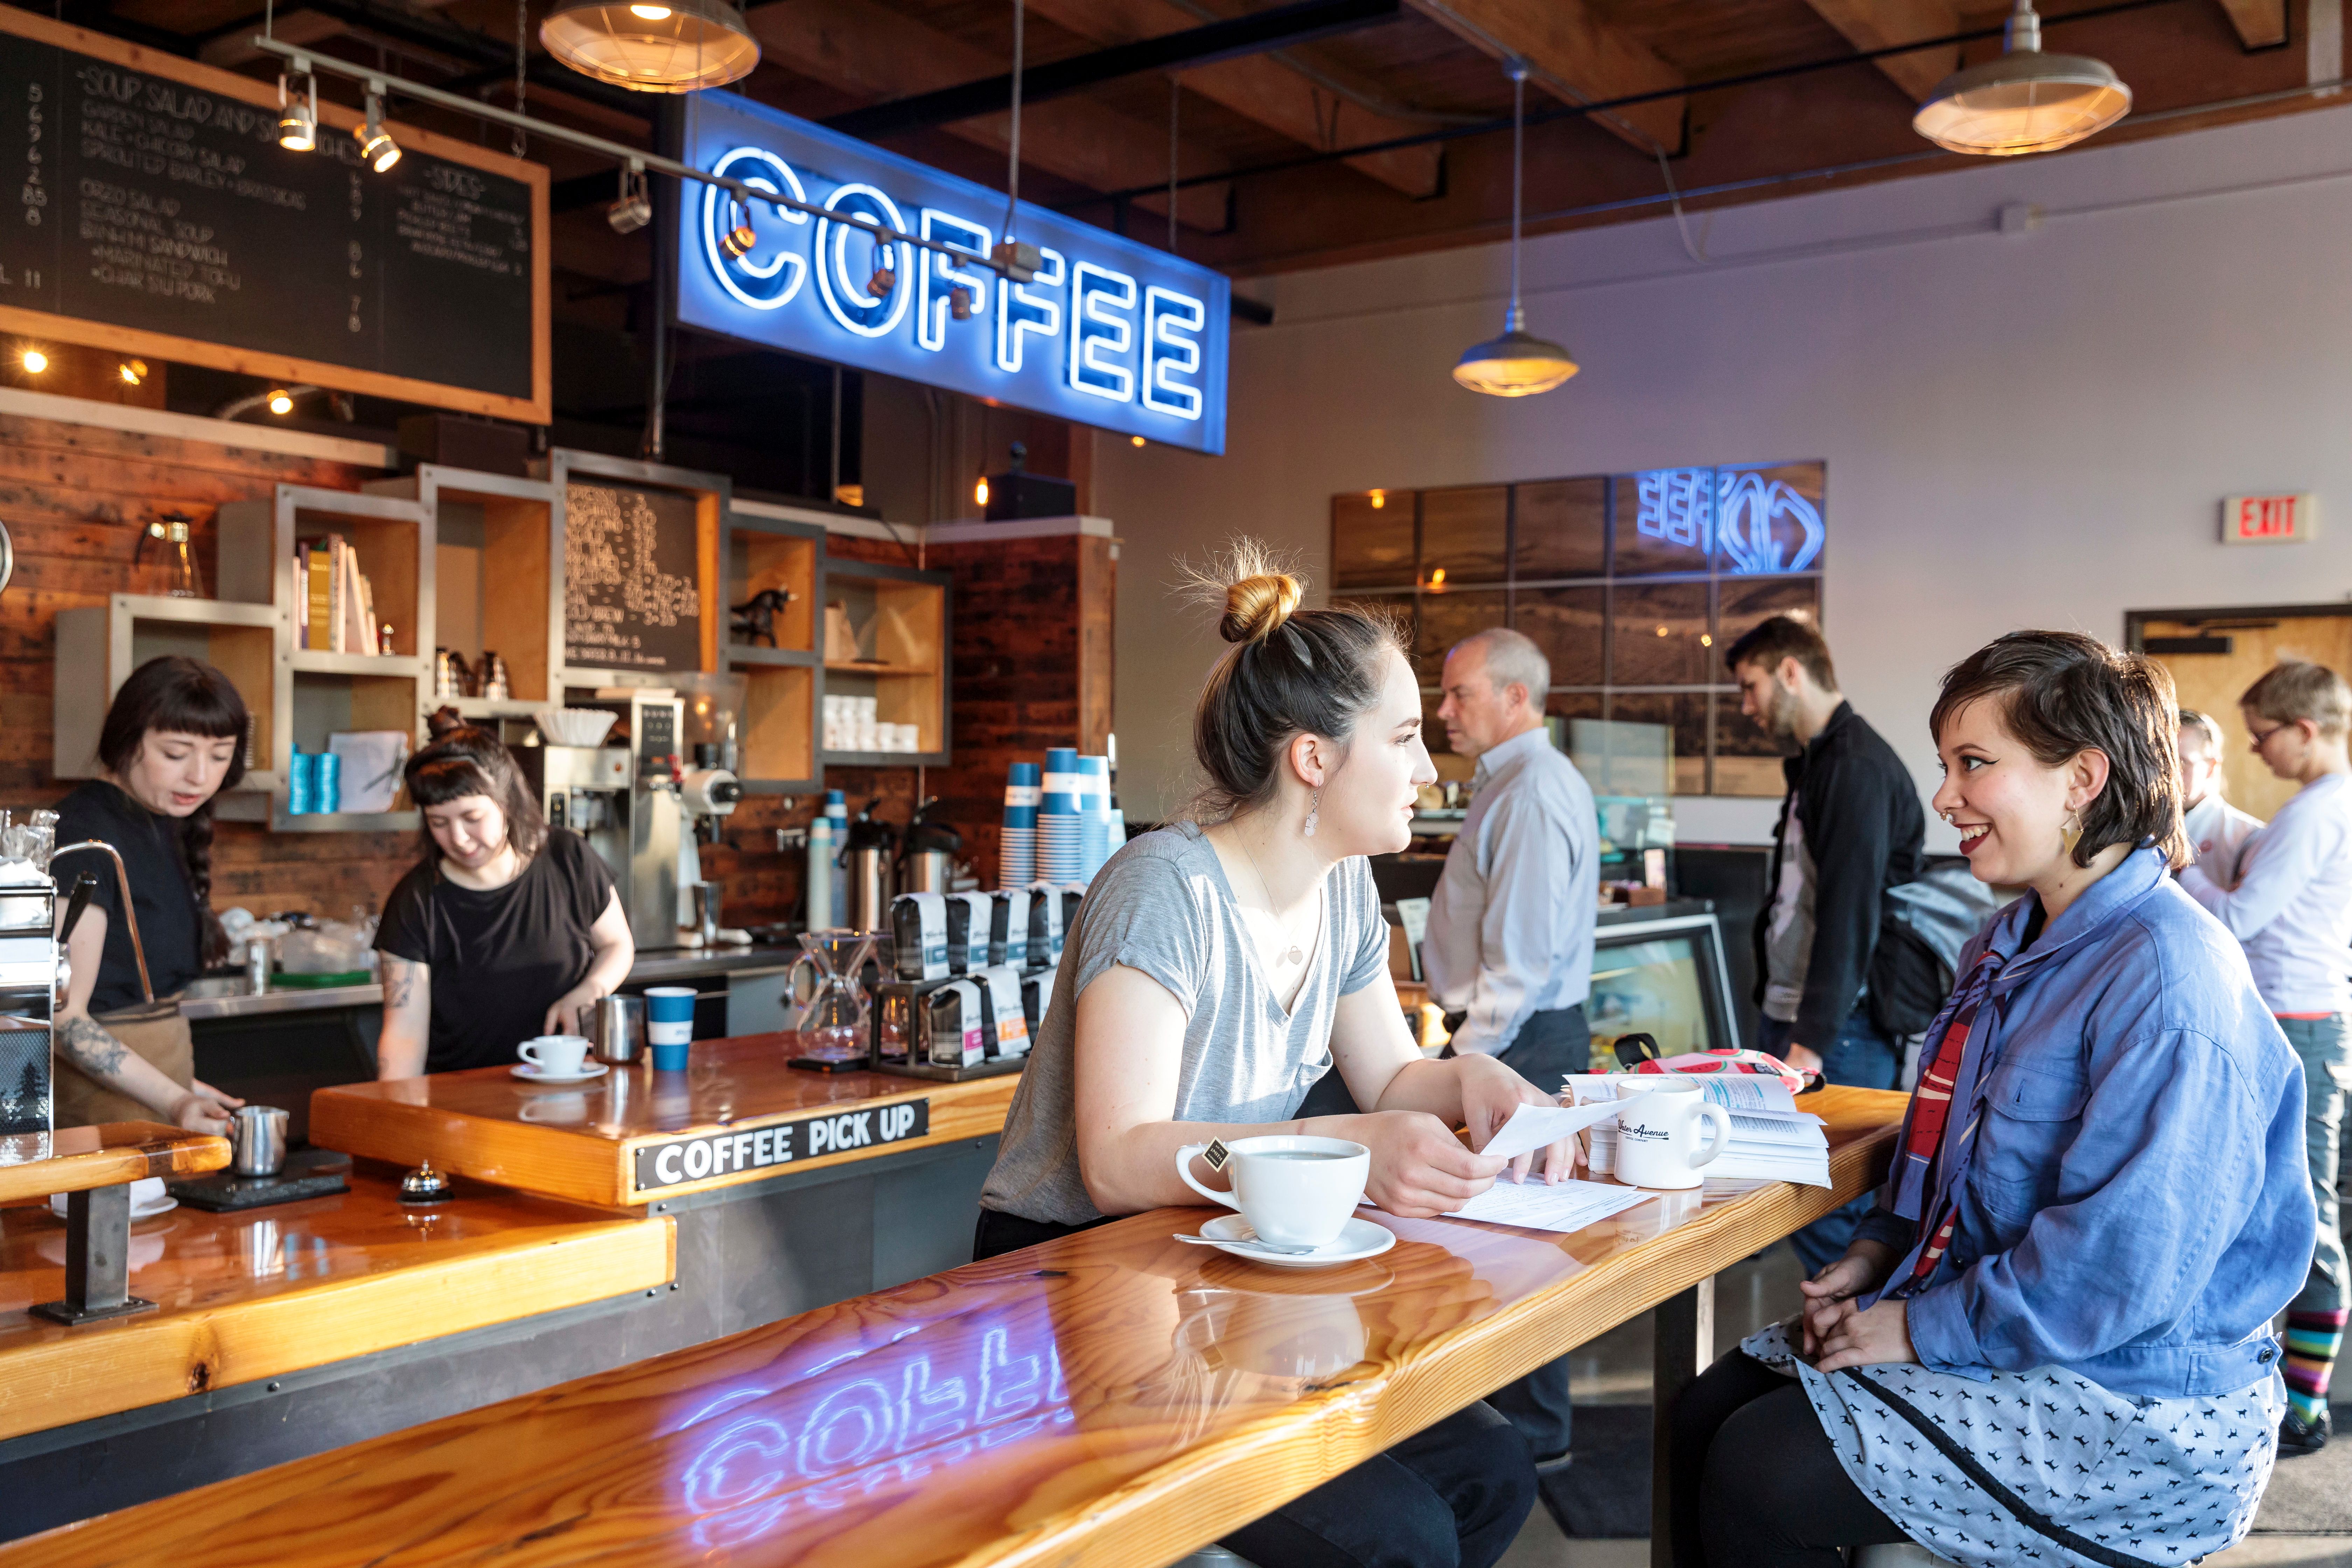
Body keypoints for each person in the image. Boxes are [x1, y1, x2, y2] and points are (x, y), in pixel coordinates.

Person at [978, 548, 1572, 1568]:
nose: (1430, 766)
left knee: (1492, 1470)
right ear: (1311, 757)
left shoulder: (1341, 887)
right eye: (1401, 736)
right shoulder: (1163, 886)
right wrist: (1333, 1140)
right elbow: (1114, 1157)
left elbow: (1390, 1074)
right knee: (1404, 1534)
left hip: (1214, 1266)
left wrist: (1471, 1078)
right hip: (1074, 1281)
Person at [1670, 631, 2310, 1568]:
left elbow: (2118, 1273)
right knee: (1702, 1411)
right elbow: (1953, 1154)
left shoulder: (2171, 980)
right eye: (1947, 765)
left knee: (1760, 1471)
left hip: (2138, 1398)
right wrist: (1878, 1253)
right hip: (2020, 1327)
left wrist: (1919, 1328)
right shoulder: (2002, 941)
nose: (1943, 797)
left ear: (2082, 779)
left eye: (1976, 764)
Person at [1418, 625, 1598, 1471]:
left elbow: (1517, 962)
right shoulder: (1515, 782)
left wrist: (1459, 1064)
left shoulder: (1530, 790)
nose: (1443, 711)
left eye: (1461, 694)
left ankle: (1531, 1444)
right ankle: (1520, 1434)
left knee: (1520, 1246)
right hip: (1510, 1036)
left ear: (1516, 698)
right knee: (1508, 1240)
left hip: (1516, 1038)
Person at [2178, 660, 2352, 1456]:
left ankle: (2307, 1409)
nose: (2260, 752)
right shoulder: (2317, 807)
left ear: (2306, 730)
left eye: (2264, 737)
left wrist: (2172, 868)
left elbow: (2241, 918)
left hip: (2301, 1024)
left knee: (2307, 1215)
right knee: (2272, 1205)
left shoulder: (2315, 812)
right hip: (2291, 1018)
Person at [1726, 614, 1923, 1274]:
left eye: (1751, 686)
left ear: (1791, 671)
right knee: (1799, 1200)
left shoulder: (1856, 766)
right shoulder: (1822, 763)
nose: (1746, 706)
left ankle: (1853, 1356)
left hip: (1838, 1027)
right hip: (1804, 1016)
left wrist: (1809, 1041)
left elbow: (1849, 915)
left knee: (1824, 1209)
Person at [48, 657, 251, 1132]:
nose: (200, 777)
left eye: (220, 756)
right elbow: (62, 1018)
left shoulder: (163, 823)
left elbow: (142, 1014)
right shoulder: (84, 838)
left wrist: (188, 1090)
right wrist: (176, 1100)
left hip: (157, 1103)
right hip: (96, 1119)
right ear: (126, 741)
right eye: (177, 754)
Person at [374, 711, 634, 1078]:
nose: (459, 838)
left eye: (472, 817)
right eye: (439, 823)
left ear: (507, 801)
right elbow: (404, 1034)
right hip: (463, 1100)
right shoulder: (417, 900)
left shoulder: (567, 858)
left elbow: (617, 945)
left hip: (568, 1085)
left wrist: (589, 990)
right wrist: (394, 1115)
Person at [2178, 705, 2262, 886]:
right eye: (2159, 760)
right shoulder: (2133, 827)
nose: (2166, 772)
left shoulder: (2246, 837)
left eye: (2181, 762)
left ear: (2211, 767)